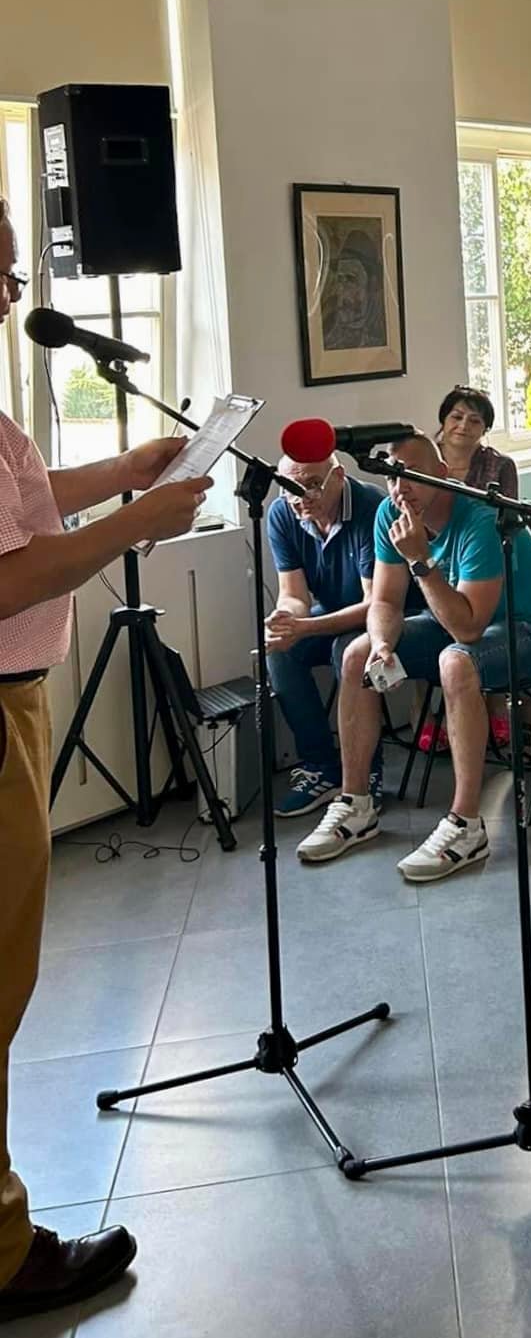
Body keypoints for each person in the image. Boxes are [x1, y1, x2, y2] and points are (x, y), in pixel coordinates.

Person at [0, 197, 209, 1321]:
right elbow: (9, 578)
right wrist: (139, 522)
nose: (11, 297)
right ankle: (2, 1250)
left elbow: (27, 510)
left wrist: (126, 469)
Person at [297, 432, 531, 878]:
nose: (400, 489)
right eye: (391, 478)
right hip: (458, 616)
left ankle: (466, 824)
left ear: (442, 474)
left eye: (411, 475)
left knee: (456, 662)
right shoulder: (391, 513)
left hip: (530, 627)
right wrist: (383, 644)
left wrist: (421, 561)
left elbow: (468, 629)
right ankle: (356, 804)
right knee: (357, 653)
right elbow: (385, 602)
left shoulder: (480, 519)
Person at [264, 449, 381, 815]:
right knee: (280, 652)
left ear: (339, 476)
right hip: (331, 610)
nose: (301, 498)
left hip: (387, 614)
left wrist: (306, 626)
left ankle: (366, 773)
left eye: (312, 485)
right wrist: (285, 620)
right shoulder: (282, 513)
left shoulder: (370, 507)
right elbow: (294, 594)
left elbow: (374, 604)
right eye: (290, 488)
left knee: (348, 651)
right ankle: (321, 766)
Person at [435, 385, 518, 498]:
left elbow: (508, 509)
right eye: (457, 417)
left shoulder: (501, 466)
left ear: (485, 429)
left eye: (474, 421)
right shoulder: (423, 458)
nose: (463, 426)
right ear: (443, 420)